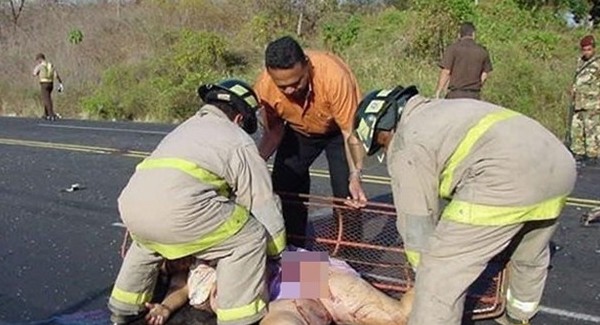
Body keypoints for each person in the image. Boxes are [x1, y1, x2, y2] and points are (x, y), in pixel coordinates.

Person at [349, 85, 576, 325]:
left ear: (383, 129)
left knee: (438, 274)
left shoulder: (406, 140)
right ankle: (519, 317)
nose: (385, 148)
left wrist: (425, 272)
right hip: (558, 164)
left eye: (380, 143)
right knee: (529, 253)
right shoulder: (440, 111)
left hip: (503, 175)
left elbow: (416, 220)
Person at [108, 79, 287, 325]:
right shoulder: (237, 138)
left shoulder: (185, 129)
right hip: (184, 215)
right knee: (251, 237)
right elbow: (262, 200)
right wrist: (279, 252)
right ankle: (240, 318)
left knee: (147, 242)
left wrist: (166, 306)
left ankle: (123, 309)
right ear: (238, 119)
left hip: (134, 208)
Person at [253, 36, 366, 247]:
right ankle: (297, 255)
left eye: (296, 83)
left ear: (307, 65)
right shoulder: (265, 87)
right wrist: (253, 164)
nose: (289, 91)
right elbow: (274, 132)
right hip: (298, 131)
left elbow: (350, 132)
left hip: (338, 132)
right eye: (282, 86)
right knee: (284, 186)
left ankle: (350, 255)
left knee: (346, 194)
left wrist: (355, 175)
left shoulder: (333, 77)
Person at [144, 246, 410, 325]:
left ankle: (437, 288)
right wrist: (164, 309)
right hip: (273, 301)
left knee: (397, 318)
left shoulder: (212, 240)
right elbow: (177, 292)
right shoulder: (187, 276)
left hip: (291, 270)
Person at [435, 22, 493, 100]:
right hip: (474, 96)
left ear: (459, 35)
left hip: (455, 95)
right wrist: (477, 85)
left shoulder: (452, 49)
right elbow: (485, 74)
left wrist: (439, 91)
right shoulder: (482, 51)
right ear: (473, 34)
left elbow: (446, 72)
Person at [569, 34, 600, 165]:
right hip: (579, 103)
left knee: (592, 132)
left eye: (589, 49)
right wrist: (573, 89)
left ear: (594, 49)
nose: (586, 52)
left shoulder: (598, 63)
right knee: (576, 129)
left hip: (593, 104)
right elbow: (578, 79)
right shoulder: (580, 61)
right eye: (584, 49)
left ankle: (593, 156)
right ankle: (578, 153)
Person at [32, 53, 63, 121]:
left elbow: (34, 73)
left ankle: (51, 114)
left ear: (40, 59)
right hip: (51, 84)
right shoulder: (50, 65)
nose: (37, 61)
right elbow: (56, 74)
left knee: (46, 100)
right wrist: (60, 82)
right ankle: (45, 114)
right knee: (47, 98)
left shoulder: (40, 66)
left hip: (44, 84)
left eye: (38, 60)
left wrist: (37, 70)